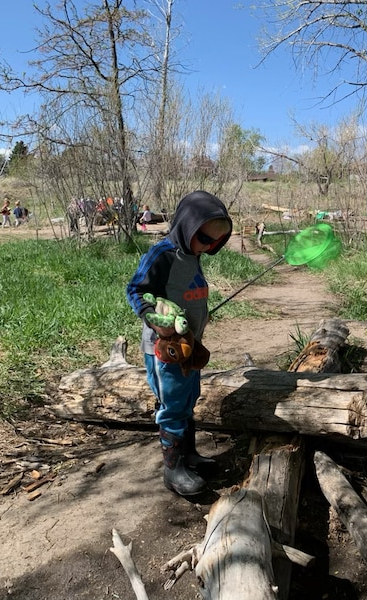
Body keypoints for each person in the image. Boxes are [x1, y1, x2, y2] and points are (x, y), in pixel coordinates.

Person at [126, 190, 232, 496]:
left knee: (188, 398)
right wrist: (153, 320)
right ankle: (173, 470)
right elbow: (135, 289)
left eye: (216, 242)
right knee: (172, 403)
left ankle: (188, 455)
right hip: (167, 350)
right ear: (187, 227)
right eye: (205, 239)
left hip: (191, 346)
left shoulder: (193, 253)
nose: (209, 247)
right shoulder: (162, 254)